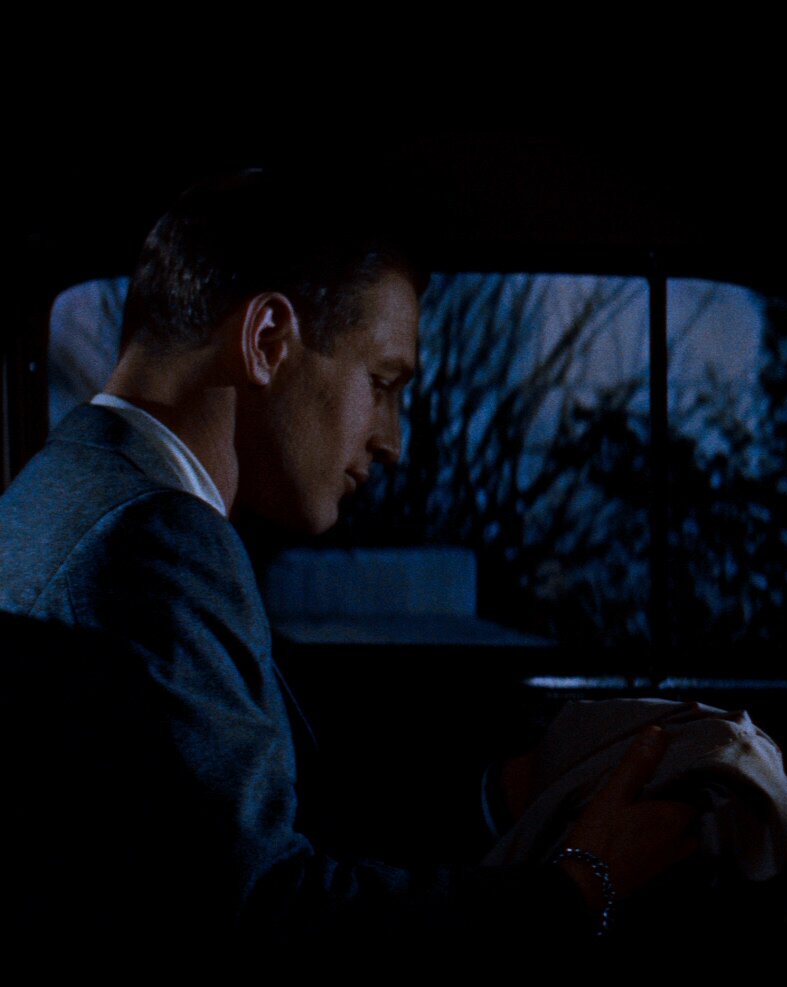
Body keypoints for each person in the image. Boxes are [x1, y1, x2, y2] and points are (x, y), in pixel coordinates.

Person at [0, 170, 695, 940]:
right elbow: (271, 911)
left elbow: (263, 809)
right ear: (268, 340)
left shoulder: (65, 488)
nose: (391, 442)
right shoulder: (153, 541)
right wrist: (579, 888)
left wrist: (506, 793)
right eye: (383, 383)